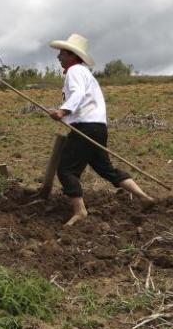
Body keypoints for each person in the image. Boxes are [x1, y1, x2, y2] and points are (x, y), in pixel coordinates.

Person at [46, 34, 155, 226]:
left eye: (61, 53)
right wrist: (61, 111)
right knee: (106, 169)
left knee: (66, 170)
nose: (58, 57)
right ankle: (144, 197)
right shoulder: (84, 73)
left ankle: (80, 211)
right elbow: (83, 100)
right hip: (97, 127)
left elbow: (78, 94)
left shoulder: (74, 72)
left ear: (71, 55)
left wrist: (62, 111)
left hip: (86, 128)